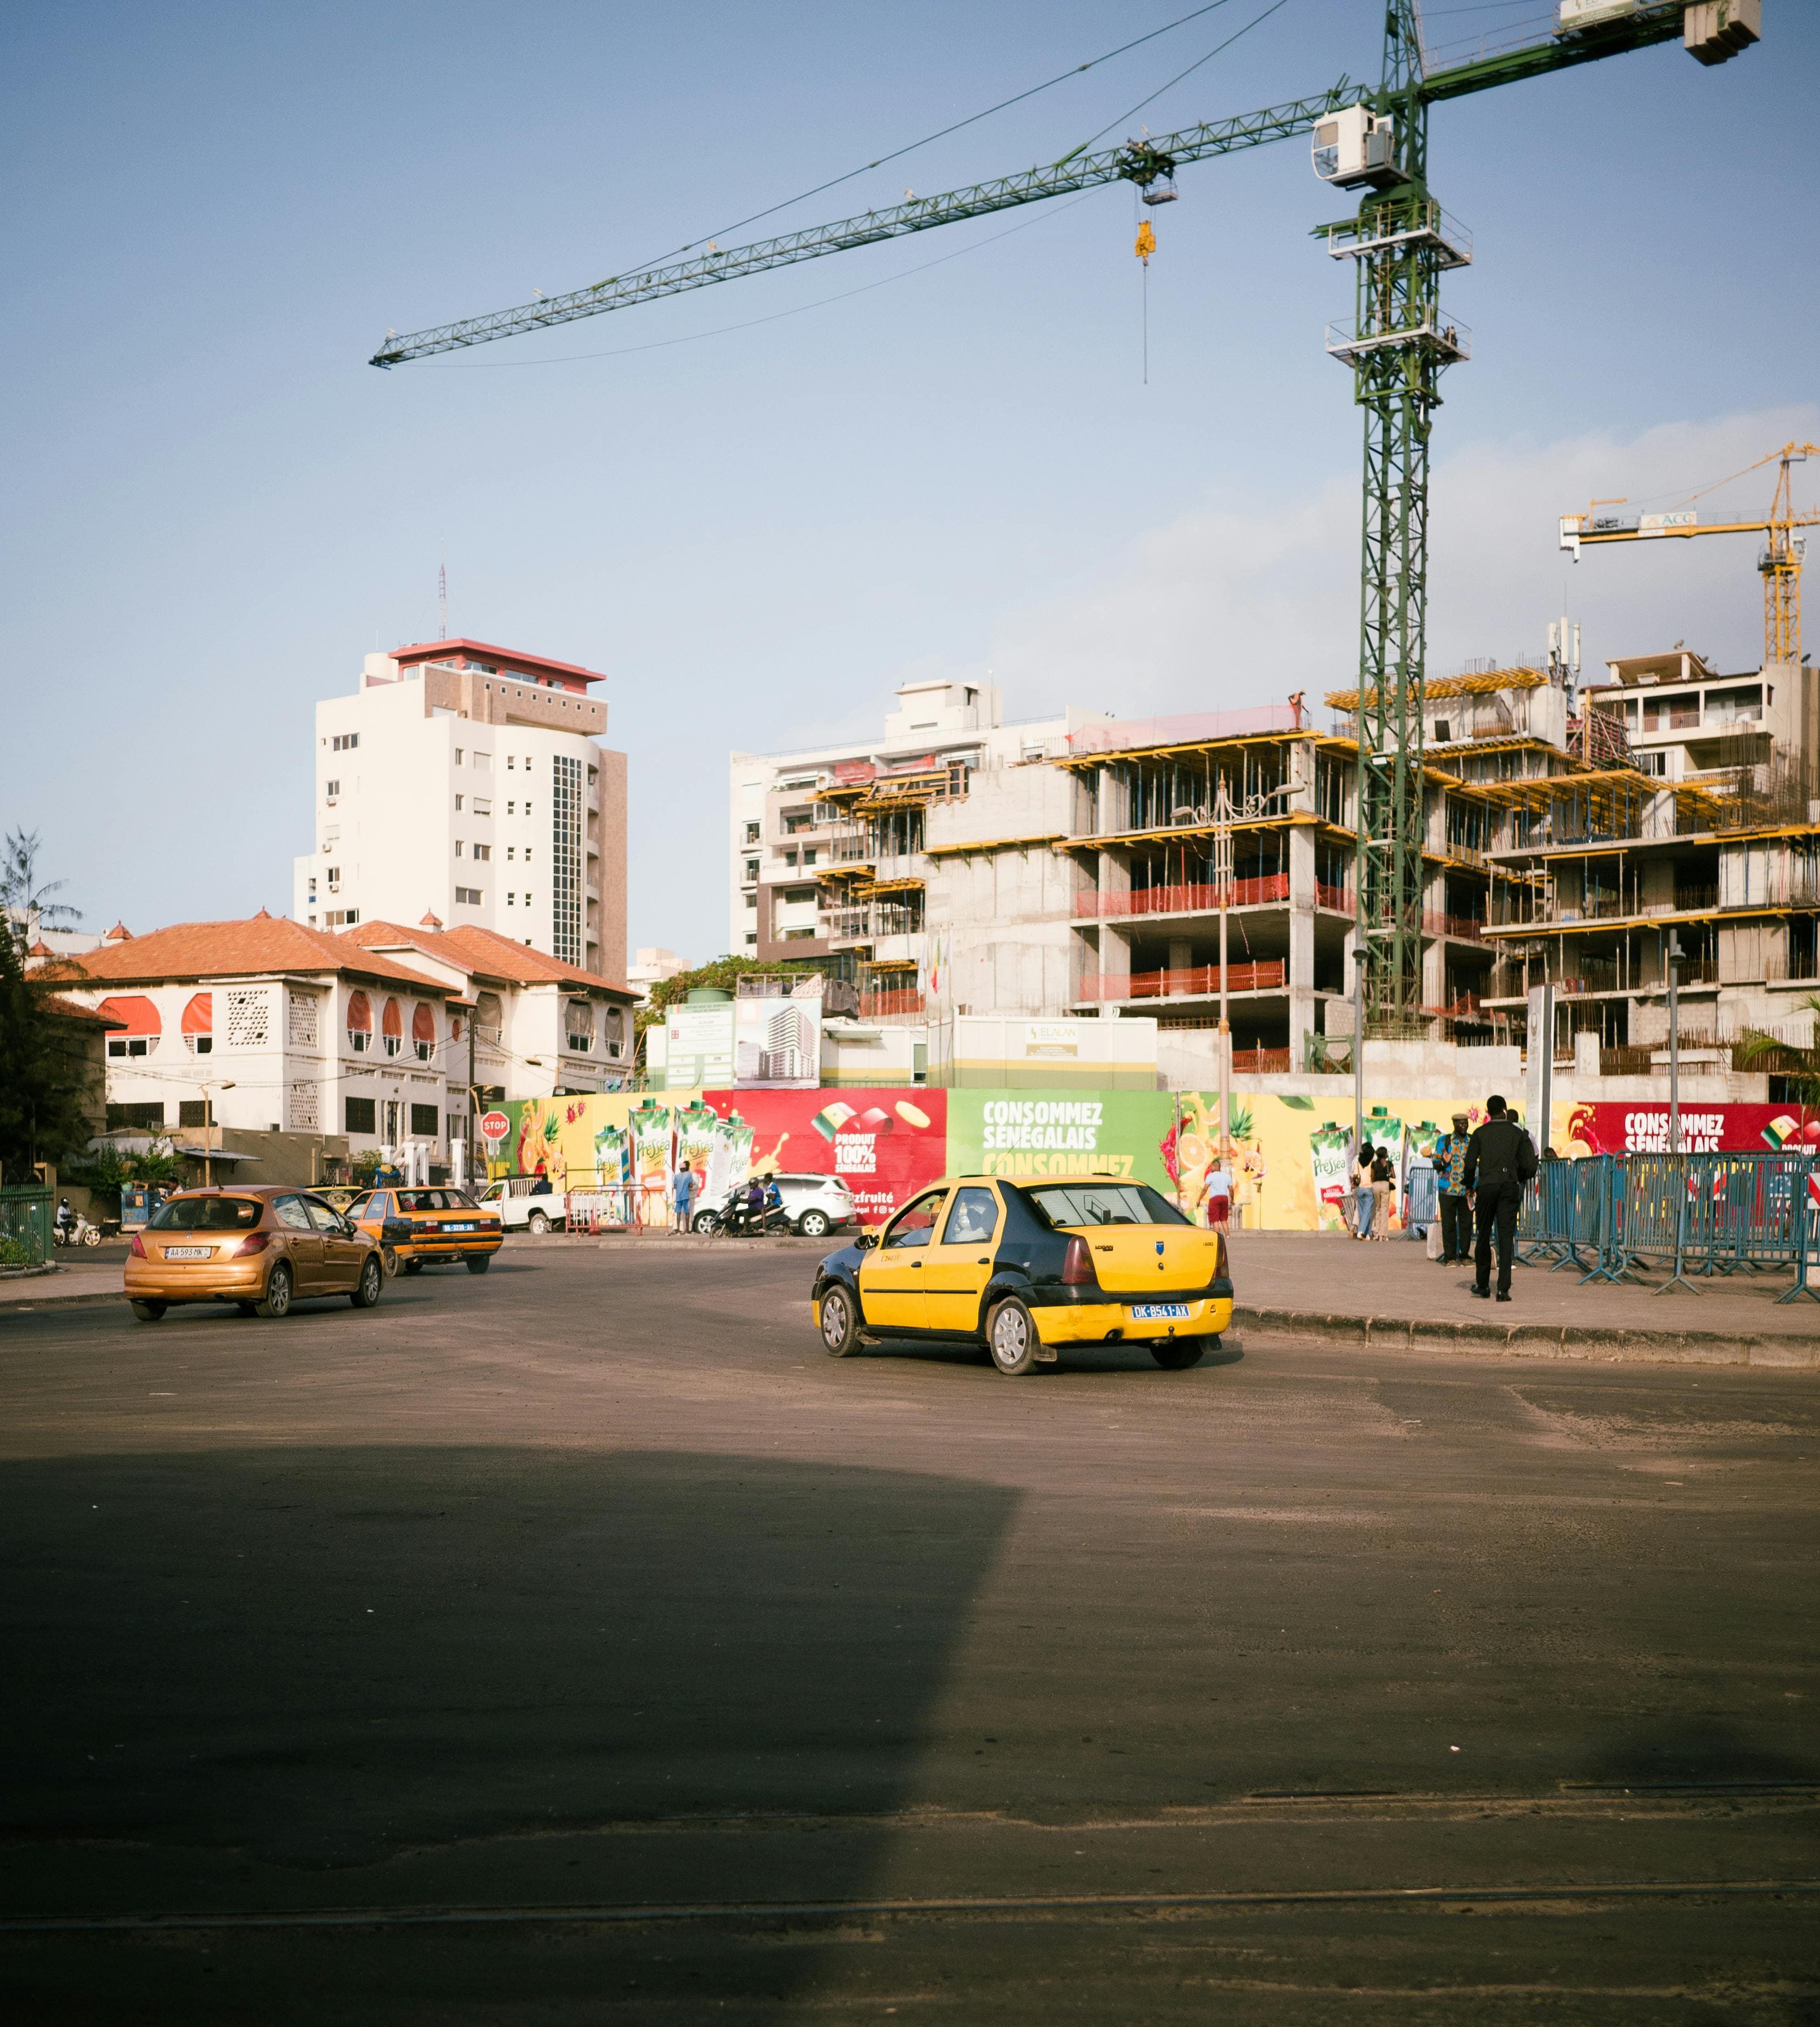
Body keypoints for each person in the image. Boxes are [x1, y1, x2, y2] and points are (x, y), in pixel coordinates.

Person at [1463, 1093, 1539, 1302]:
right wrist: (1517, 1177)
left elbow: (1469, 1165)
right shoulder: (1518, 1133)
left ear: (1488, 1112)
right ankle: (1503, 1289)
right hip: (1509, 1187)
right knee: (1505, 1237)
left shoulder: (1480, 1133)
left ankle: (1483, 1285)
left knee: (1484, 1235)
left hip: (1486, 1187)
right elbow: (1530, 1165)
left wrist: (1469, 1185)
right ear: (1505, 1111)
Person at [1432, 1111, 1474, 1266]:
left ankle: (1465, 1255)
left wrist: (1474, 1185)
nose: (1465, 1126)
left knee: (1466, 1225)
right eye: (1461, 1123)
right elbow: (1435, 1163)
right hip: (1447, 1190)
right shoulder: (1444, 1141)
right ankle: (1450, 1257)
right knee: (1449, 1225)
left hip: (1466, 1190)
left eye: (1466, 1123)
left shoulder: (1473, 1141)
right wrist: (1444, 1162)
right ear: (1454, 1124)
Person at [1369, 1143, 1395, 1243]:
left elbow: (1372, 1176)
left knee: (1378, 1208)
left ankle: (1377, 1232)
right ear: (1385, 1154)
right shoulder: (1389, 1164)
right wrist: (1388, 1174)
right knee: (1385, 1209)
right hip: (1385, 1185)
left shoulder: (1374, 1164)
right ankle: (1382, 1234)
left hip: (1376, 1185)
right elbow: (1394, 1175)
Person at [1197, 1158, 1233, 1231]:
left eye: (1211, 1167)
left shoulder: (1210, 1176)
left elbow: (1205, 1189)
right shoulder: (1227, 1176)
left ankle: (1217, 1235)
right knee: (1224, 1219)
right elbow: (1231, 1190)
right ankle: (1227, 1235)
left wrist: (1199, 1199)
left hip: (1215, 1199)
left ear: (1215, 1167)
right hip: (1224, 1198)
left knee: (1215, 1220)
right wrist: (1232, 1200)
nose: (1210, 1168)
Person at [1352, 1142, 1374, 1240]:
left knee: (1362, 1212)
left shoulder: (1358, 1163)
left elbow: (1355, 1175)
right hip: (1370, 1189)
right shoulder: (1372, 1163)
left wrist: (1354, 1184)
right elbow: (1373, 1176)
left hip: (1360, 1189)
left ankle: (1367, 1233)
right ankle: (1361, 1231)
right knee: (1367, 1212)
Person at [670, 1160, 698, 1235]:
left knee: (684, 1213)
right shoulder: (687, 1175)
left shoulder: (693, 1174)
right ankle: (681, 1229)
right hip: (684, 1197)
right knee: (684, 1213)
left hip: (689, 1197)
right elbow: (690, 1185)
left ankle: (686, 1229)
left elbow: (695, 1186)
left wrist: (686, 1188)